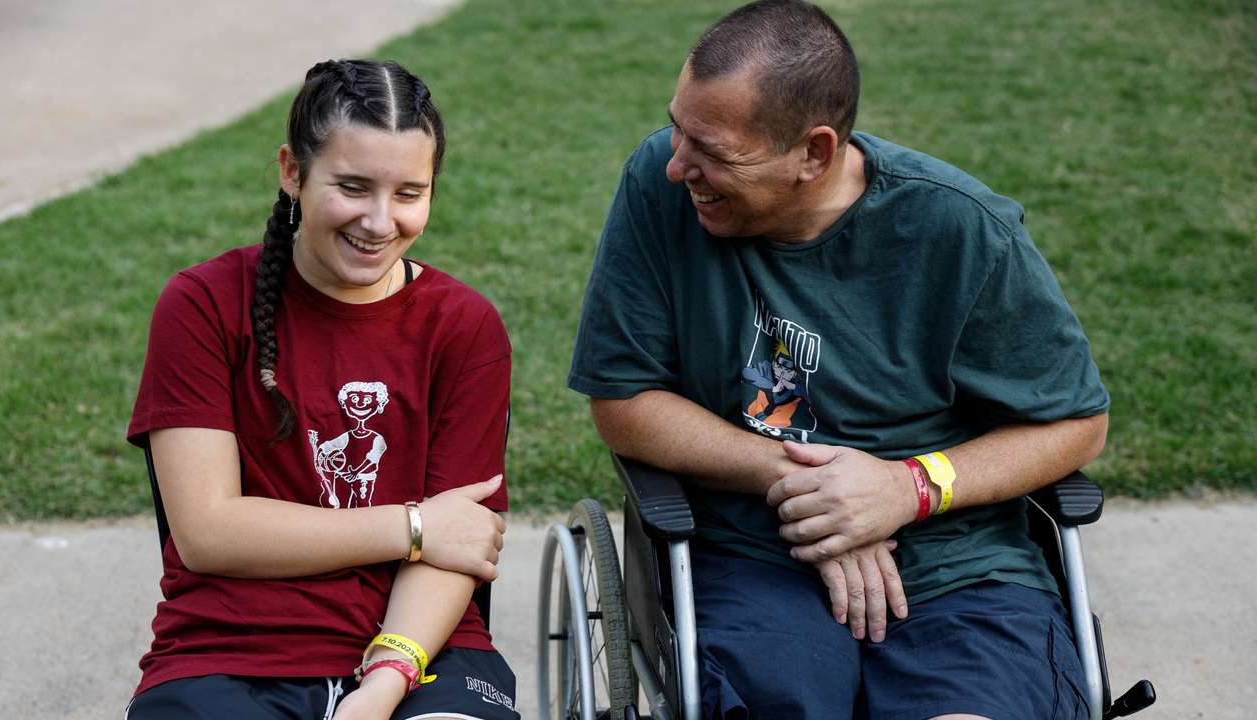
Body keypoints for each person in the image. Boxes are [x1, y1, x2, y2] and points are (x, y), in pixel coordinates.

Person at [568, 2, 1109, 718]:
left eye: (715, 152)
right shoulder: (658, 188)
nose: (677, 165)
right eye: (677, 127)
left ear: (814, 154)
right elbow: (624, 400)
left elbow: (1076, 424)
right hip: (752, 560)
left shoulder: (961, 231)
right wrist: (812, 492)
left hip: (957, 567)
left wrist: (906, 488)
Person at [125, 59, 518, 720]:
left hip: (423, 648)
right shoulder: (202, 304)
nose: (379, 221)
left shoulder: (465, 326)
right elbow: (208, 533)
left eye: (408, 193)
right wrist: (415, 525)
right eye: (354, 186)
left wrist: (386, 680)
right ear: (291, 171)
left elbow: (462, 545)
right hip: (231, 651)